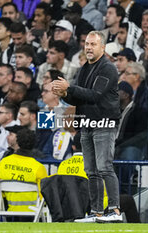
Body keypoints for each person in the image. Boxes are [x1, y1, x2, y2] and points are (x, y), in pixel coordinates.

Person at [52, 31, 122, 223]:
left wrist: (70, 88)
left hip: (104, 123)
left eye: (93, 44)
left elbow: (95, 95)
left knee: (105, 167)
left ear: (103, 47)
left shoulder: (108, 68)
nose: (89, 48)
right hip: (87, 124)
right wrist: (64, 93)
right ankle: (96, 212)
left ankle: (115, 210)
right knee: (91, 170)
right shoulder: (85, 67)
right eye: (86, 44)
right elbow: (77, 97)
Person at [0, 128, 47, 220]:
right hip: (34, 214)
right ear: (34, 144)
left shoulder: (4, 163)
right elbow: (44, 196)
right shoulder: (39, 167)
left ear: (17, 142)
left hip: (10, 211)